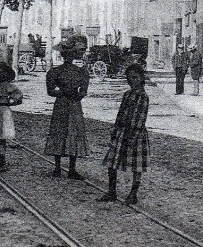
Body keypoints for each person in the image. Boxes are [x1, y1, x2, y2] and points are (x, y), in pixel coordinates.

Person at [98, 64, 150, 205]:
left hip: (135, 134)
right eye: (129, 78)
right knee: (112, 162)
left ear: (141, 78)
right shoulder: (127, 94)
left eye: (135, 77)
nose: (131, 80)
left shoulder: (143, 96)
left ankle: (133, 194)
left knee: (136, 166)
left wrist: (133, 135)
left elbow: (141, 118)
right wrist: (115, 129)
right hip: (122, 131)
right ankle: (111, 191)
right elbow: (120, 113)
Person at [44, 36, 90, 179]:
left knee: (74, 132)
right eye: (67, 54)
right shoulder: (55, 71)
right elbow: (50, 91)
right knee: (59, 131)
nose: (69, 57)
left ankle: (72, 169)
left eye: (72, 54)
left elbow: (84, 90)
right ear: (64, 55)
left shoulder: (81, 72)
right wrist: (63, 92)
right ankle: (57, 167)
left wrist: (78, 95)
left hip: (74, 104)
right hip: (62, 104)